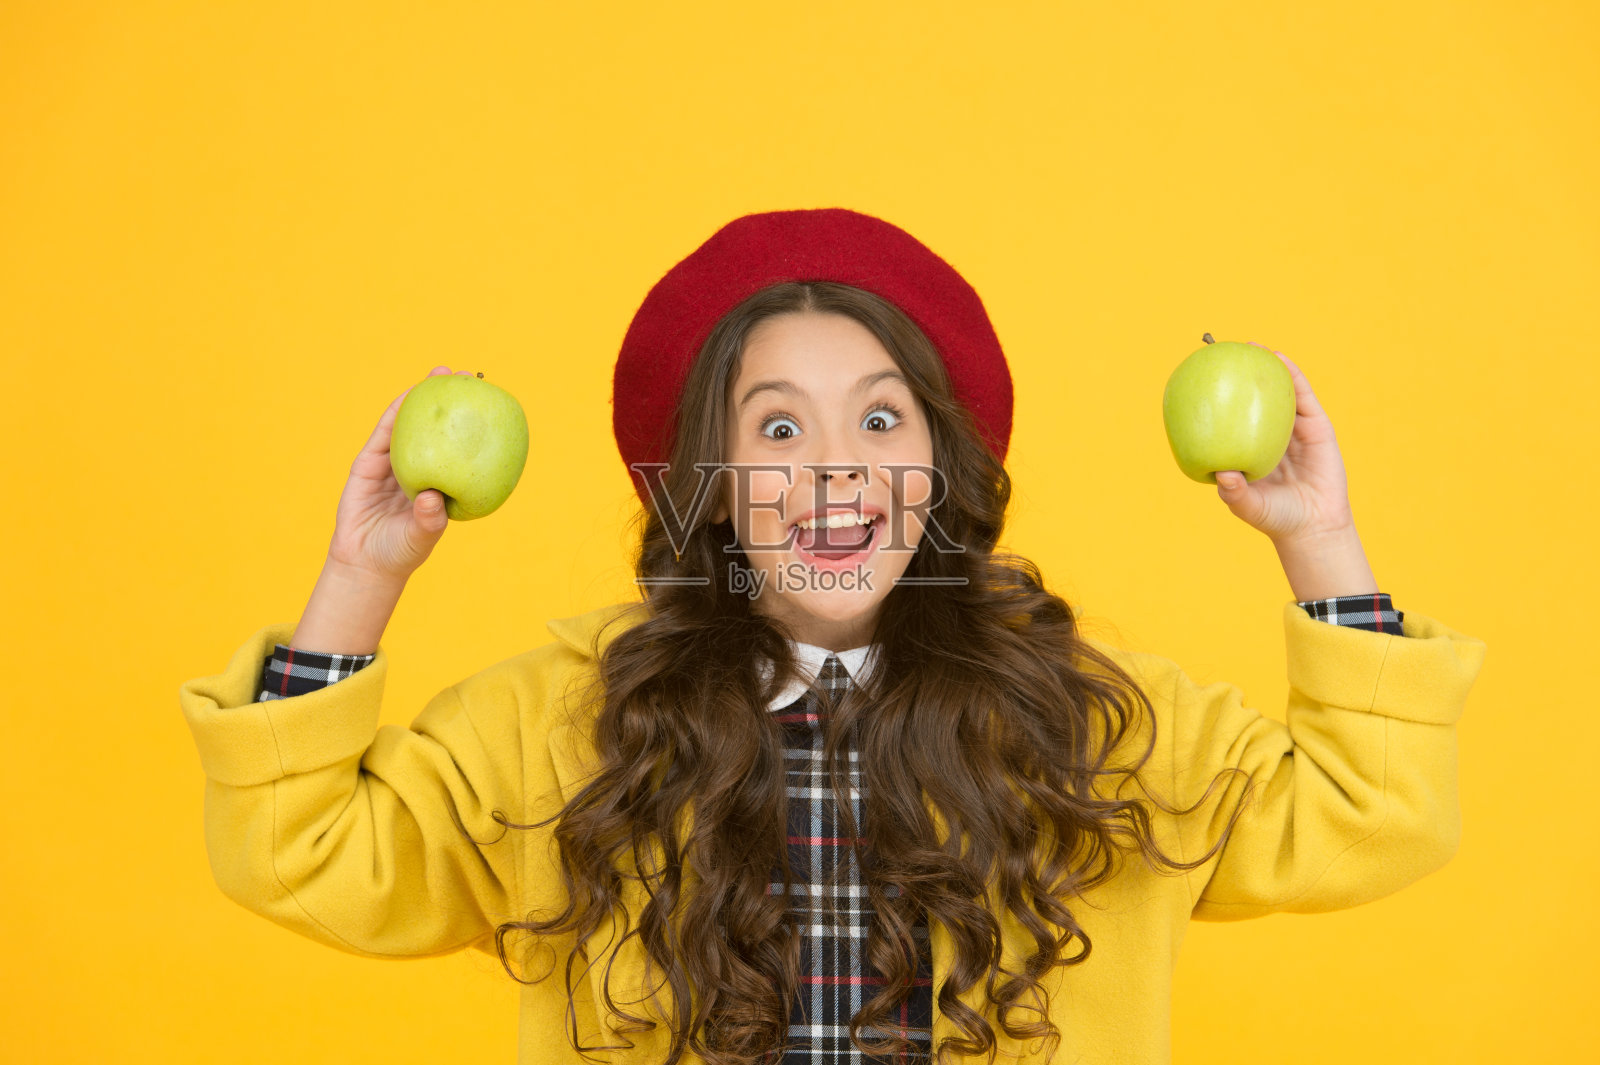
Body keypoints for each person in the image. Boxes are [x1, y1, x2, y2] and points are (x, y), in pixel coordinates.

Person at [179, 208, 1487, 1065]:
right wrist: (363, 575)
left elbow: (1378, 807)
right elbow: (299, 852)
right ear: (711, 476)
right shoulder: (559, 730)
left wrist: (1318, 539)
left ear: (939, 465)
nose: (834, 474)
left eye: (879, 422)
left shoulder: (1089, 724)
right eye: (780, 429)